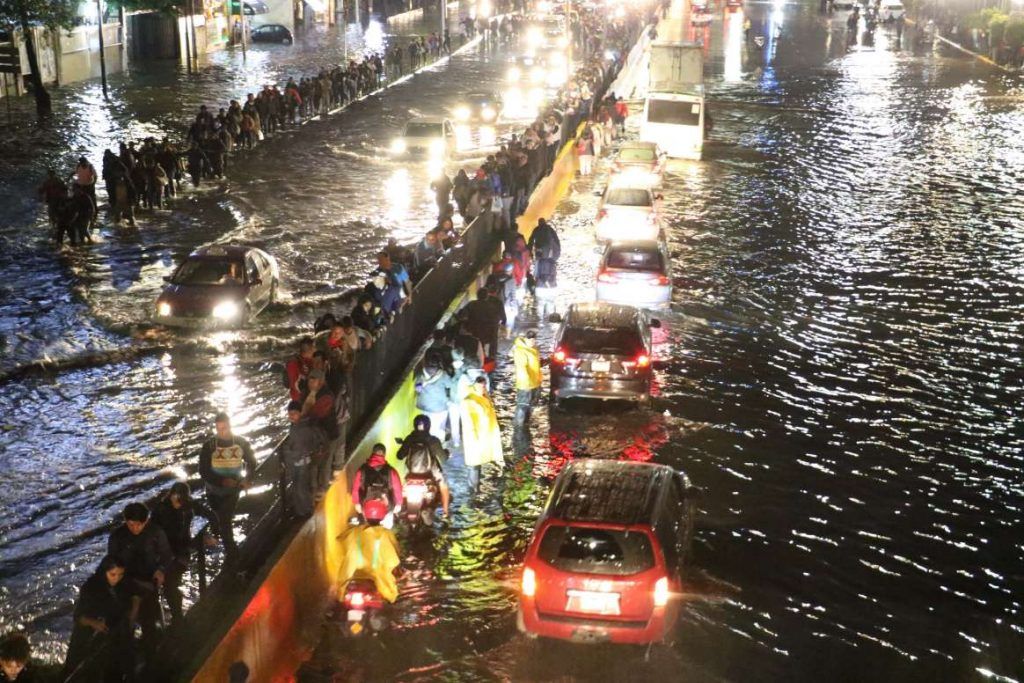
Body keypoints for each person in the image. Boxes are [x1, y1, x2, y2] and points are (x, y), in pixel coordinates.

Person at [107, 503, 173, 645]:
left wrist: (161, 570)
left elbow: (166, 555)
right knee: (125, 619)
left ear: (146, 521)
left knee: (150, 620)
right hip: (125, 583)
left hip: (149, 580)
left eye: (139, 524)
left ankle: (153, 644)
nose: (135, 528)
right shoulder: (117, 537)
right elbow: (111, 561)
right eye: (131, 525)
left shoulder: (156, 533)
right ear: (125, 521)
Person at [151, 482, 217, 623]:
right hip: (164, 552)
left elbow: (211, 515)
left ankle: (177, 616)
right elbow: (151, 534)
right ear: (172, 496)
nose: (179, 504)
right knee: (165, 585)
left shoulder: (189, 506)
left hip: (181, 551)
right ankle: (171, 616)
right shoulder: (161, 510)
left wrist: (212, 534)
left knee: (170, 584)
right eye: (177, 500)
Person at [198, 412, 258, 563]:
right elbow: (203, 471)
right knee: (220, 518)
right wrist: (221, 481)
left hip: (233, 490)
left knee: (224, 519)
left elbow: (251, 461)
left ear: (230, 426)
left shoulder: (240, 443)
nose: (221, 431)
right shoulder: (209, 446)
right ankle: (221, 539)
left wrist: (248, 478)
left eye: (224, 428)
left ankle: (232, 554)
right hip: (213, 490)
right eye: (218, 429)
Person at [62, 556, 133, 683]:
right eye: (113, 574)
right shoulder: (90, 588)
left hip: (113, 634)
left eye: (120, 574)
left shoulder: (122, 585)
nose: (116, 579)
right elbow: (78, 616)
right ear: (104, 571)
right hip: (88, 636)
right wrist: (93, 622)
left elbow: (125, 607)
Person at [281, 400, 327, 517]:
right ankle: (301, 510)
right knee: (298, 487)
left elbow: (302, 445)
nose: (291, 416)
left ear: (300, 413)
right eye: (290, 413)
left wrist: (288, 452)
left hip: (301, 461)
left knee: (301, 488)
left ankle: (306, 511)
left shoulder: (302, 428)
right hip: (299, 461)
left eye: (294, 413)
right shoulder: (298, 425)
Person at [396, 415, 450, 516]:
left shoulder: (410, 439)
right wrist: (446, 453)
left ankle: (398, 508)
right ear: (429, 426)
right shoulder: (433, 440)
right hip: (430, 472)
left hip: (411, 473)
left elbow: (399, 456)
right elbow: (443, 459)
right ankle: (446, 512)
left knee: (400, 482)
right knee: (443, 484)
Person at [459, 376, 503, 491]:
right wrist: (474, 437)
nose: (483, 388)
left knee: (478, 463)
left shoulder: (484, 396)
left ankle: (476, 486)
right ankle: (473, 489)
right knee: (474, 465)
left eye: (484, 386)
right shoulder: (469, 401)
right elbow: (469, 423)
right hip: (475, 438)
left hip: (484, 436)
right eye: (480, 386)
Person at [300, 369, 337, 490]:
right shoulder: (307, 393)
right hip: (315, 437)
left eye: (313, 381)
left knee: (324, 465)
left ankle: (322, 489)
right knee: (315, 465)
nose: (310, 383)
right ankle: (315, 488)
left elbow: (312, 414)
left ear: (321, 382)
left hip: (327, 435)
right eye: (309, 380)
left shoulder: (326, 396)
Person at [351, 444, 403, 524]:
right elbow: (398, 489)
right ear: (384, 455)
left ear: (373, 453)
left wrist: (357, 503)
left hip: (366, 507)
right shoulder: (391, 471)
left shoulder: (362, 469)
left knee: (363, 524)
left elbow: (355, 489)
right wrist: (398, 504)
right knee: (388, 522)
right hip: (386, 506)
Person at [415, 355, 454, 443]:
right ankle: (439, 446)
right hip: (439, 407)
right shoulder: (443, 374)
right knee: (438, 428)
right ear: (438, 364)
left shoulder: (421, 374)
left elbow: (418, 389)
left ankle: (427, 445)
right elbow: (450, 385)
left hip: (424, 406)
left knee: (426, 426)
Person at [459, 289, 505, 359]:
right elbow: (500, 317)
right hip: (490, 330)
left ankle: (481, 357)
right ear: (487, 296)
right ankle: (492, 356)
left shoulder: (472, 304)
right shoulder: (492, 306)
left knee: (479, 343)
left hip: (476, 330)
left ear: (477, 296)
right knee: (494, 340)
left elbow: (462, 315)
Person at [512, 330, 542, 425]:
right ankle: (519, 426)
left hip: (534, 382)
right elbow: (521, 368)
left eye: (534, 340)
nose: (532, 342)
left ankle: (525, 424)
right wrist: (527, 383)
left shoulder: (534, 349)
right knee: (523, 405)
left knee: (530, 405)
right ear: (525, 339)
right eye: (530, 340)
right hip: (525, 384)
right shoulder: (520, 350)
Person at [528, 218, 561, 288]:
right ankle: (552, 284)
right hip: (550, 253)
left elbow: (531, 240)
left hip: (540, 253)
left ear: (539, 223)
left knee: (539, 266)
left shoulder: (536, 229)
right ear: (545, 222)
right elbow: (557, 240)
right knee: (551, 266)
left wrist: (529, 252)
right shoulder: (550, 229)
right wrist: (557, 252)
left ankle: (539, 283)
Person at [285, 336, 316, 401]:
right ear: (310, 349)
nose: (315, 349)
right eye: (314, 347)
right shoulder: (293, 364)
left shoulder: (310, 360)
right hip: (301, 399)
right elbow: (295, 385)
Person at [36, 169, 67, 234]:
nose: (50, 176)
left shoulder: (51, 181)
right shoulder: (54, 181)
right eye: (50, 175)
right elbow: (65, 189)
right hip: (53, 200)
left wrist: (39, 191)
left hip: (57, 200)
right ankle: (55, 226)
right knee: (53, 214)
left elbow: (64, 189)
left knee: (54, 214)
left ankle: (55, 226)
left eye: (50, 174)